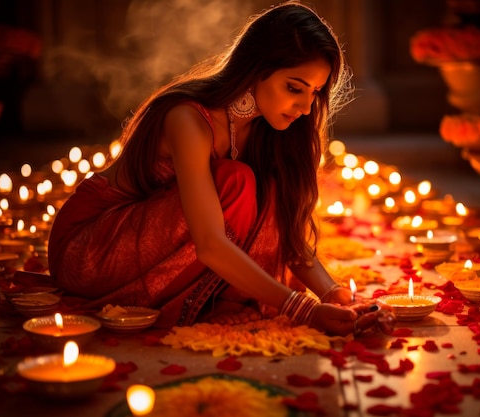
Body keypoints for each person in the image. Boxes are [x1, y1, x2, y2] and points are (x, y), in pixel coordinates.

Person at [48, 1, 375, 336]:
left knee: (268, 187)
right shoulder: (187, 119)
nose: (306, 108)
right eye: (294, 88)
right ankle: (210, 301)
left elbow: (286, 230)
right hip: (90, 247)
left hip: (154, 245)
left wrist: (333, 295)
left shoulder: (270, 132)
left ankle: (217, 298)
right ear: (256, 68)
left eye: (315, 92)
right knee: (235, 181)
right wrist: (301, 308)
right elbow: (208, 242)